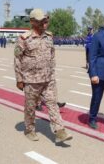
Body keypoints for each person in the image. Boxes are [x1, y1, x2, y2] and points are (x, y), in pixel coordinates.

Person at [14, 8, 72, 143]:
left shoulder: (49, 36)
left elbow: (52, 55)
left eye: (45, 20)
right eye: (40, 21)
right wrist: (19, 79)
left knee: (52, 104)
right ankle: (29, 130)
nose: (43, 23)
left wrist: (52, 72)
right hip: (31, 80)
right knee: (30, 107)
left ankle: (60, 131)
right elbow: (17, 59)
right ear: (32, 22)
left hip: (48, 79)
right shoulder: (24, 38)